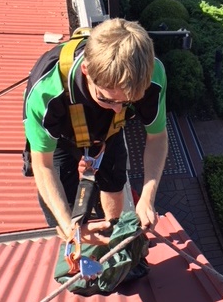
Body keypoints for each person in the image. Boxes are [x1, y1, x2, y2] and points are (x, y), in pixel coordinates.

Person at [23, 18, 168, 246]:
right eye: (107, 99)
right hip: (61, 137)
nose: (118, 108)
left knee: (114, 182)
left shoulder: (152, 75)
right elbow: (43, 165)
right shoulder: (47, 92)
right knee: (64, 214)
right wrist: (70, 228)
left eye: (129, 101)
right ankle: (78, 251)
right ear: (86, 71)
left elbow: (157, 137)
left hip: (110, 131)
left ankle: (113, 239)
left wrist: (147, 197)